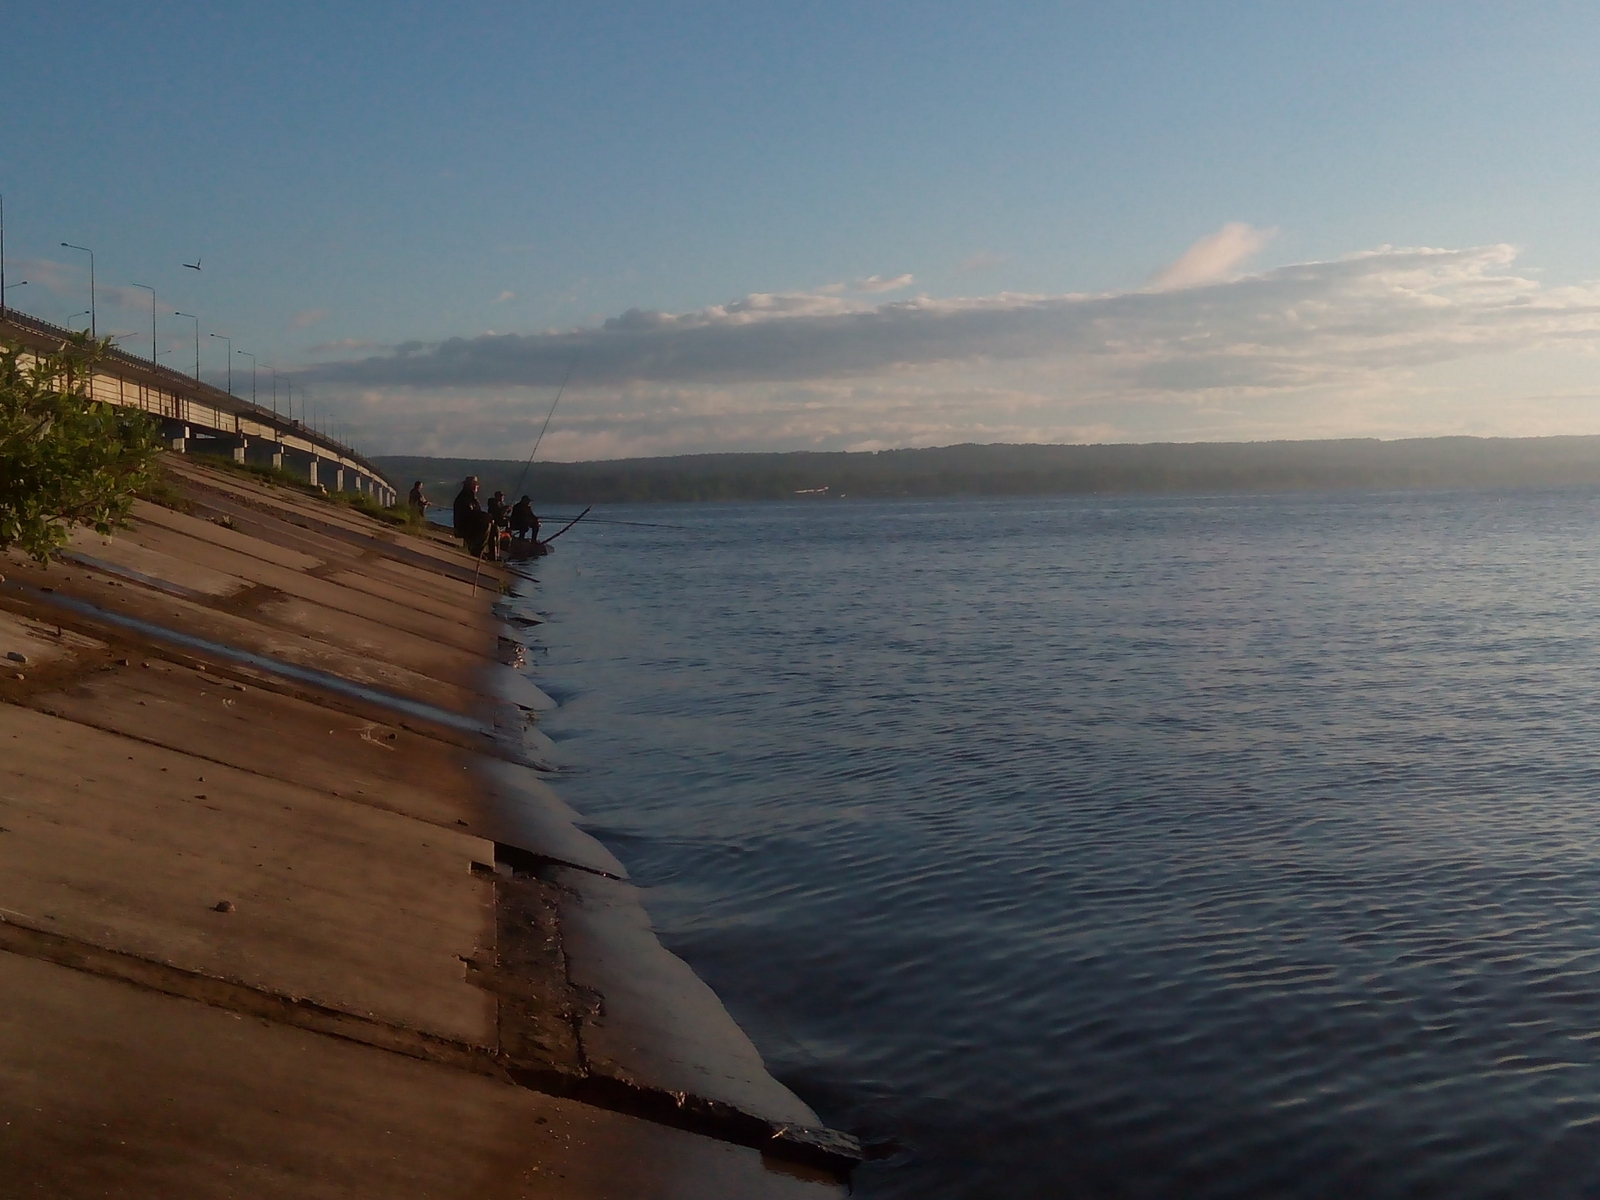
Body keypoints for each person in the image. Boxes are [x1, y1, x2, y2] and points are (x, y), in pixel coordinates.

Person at [452, 476, 492, 558]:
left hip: (470, 524)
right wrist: (484, 516)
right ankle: (477, 551)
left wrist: (486, 516)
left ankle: (492, 554)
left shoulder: (472, 497)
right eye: (475, 484)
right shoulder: (463, 498)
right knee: (486, 525)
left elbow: (476, 512)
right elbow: (469, 515)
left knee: (494, 528)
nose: (477, 486)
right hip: (465, 527)